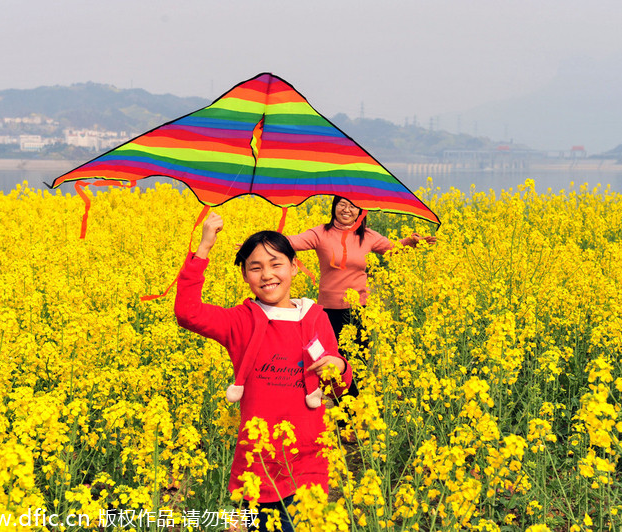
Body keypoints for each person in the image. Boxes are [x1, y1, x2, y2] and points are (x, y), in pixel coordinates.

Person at [175, 212, 352, 532]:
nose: (267, 274)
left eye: (276, 264)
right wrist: (204, 247)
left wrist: (339, 366)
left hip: (309, 459)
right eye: (255, 267)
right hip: (259, 465)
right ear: (244, 275)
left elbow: (337, 385)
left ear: (295, 267)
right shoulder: (241, 321)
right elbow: (188, 314)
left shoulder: (315, 318)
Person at [287, 196, 435, 412]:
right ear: (334, 207)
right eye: (342, 204)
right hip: (327, 311)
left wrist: (412, 242)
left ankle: (351, 415)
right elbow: (291, 241)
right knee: (330, 363)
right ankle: (337, 409)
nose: (346, 209)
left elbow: (392, 248)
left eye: (352, 206)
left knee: (356, 362)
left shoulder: (367, 237)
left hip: (359, 310)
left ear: (361, 212)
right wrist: (261, 242)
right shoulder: (320, 233)